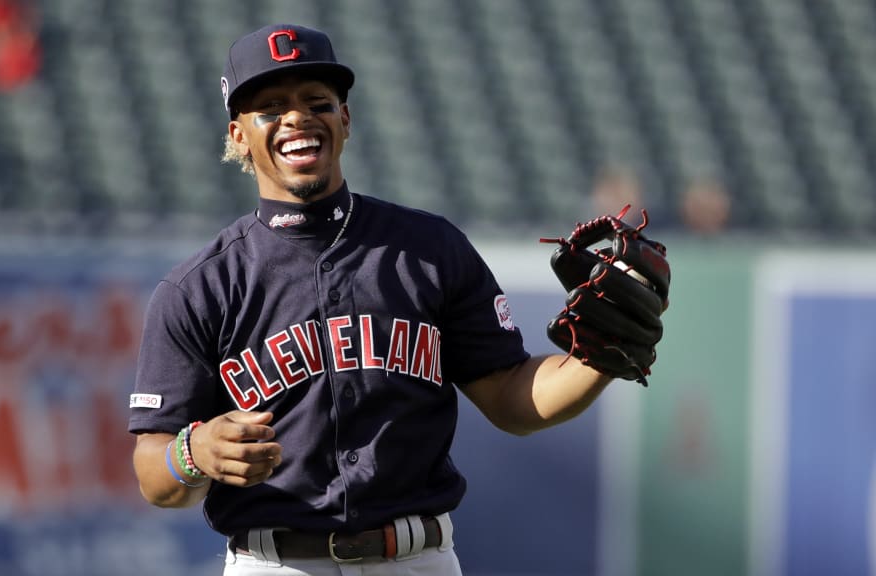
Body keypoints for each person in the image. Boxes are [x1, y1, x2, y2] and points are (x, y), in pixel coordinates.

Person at [128, 24, 622, 575]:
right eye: (270, 107)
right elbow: (154, 471)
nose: (296, 117)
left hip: (417, 558)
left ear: (345, 119)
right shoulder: (199, 287)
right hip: (277, 563)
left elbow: (511, 396)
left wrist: (598, 357)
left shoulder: (429, 249)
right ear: (239, 135)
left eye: (317, 101)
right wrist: (192, 454)